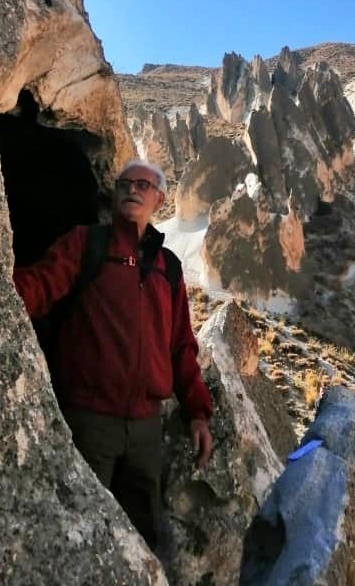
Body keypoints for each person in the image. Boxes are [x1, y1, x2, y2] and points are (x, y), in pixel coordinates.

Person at [13, 158, 213, 549]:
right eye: (125, 184)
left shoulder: (167, 267)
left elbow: (181, 347)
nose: (132, 190)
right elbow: (39, 286)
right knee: (80, 538)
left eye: (143, 185)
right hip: (88, 423)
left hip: (145, 431)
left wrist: (198, 413)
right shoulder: (86, 245)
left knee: (146, 539)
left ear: (159, 199)